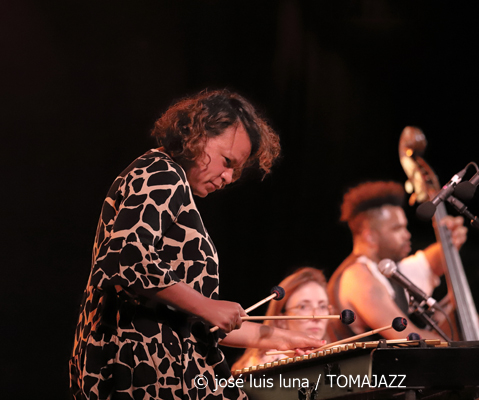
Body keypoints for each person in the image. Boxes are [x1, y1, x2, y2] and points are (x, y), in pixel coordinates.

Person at [70, 89, 324, 400]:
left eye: (236, 170)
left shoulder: (168, 180)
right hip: (140, 367)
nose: (229, 177)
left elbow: (193, 322)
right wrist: (206, 306)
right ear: (197, 136)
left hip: (159, 363)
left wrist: (284, 339)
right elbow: (126, 258)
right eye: (227, 162)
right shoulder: (161, 173)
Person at [327, 181, 467, 341]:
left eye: (405, 227)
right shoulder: (358, 277)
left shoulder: (387, 270)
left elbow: (435, 260)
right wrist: (464, 349)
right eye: (397, 228)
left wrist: (451, 236)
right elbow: (410, 339)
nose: (407, 235)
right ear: (370, 237)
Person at [231, 267, 331, 371]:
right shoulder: (265, 367)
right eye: (303, 307)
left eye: (322, 306)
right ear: (280, 320)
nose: (317, 316)